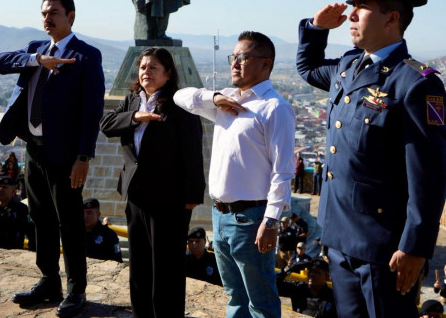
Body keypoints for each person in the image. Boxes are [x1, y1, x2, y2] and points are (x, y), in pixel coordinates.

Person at [296, 0, 446, 318]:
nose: (350, 15)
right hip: (339, 239)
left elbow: (429, 174)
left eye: (361, 8)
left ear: (391, 18)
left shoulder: (417, 83)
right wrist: (316, 28)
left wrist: (415, 246)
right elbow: (307, 67)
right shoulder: (349, 67)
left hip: (385, 249)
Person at [0, 0, 105, 318]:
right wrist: (37, 61)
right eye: (44, 13)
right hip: (34, 151)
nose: (47, 18)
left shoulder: (86, 55)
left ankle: (76, 289)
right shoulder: (34, 49)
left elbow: (91, 111)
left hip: (65, 155)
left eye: (54, 12)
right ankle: (48, 280)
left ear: (70, 16)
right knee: (39, 218)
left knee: (69, 223)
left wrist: (83, 157)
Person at [174, 31, 296, 318]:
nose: (235, 63)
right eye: (234, 57)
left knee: (261, 301)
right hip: (221, 215)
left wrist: (272, 220)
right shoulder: (226, 101)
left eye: (244, 57)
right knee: (234, 297)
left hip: (251, 219)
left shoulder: (275, 108)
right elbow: (181, 96)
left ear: (265, 64)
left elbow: (283, 171)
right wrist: (214, 97)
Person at [100, 46, 205, 318]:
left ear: (168, 74)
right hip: (136, 196)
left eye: (153, 67)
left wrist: (192, 195)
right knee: (140, 265)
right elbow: (106, 124)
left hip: (169, 200)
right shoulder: (133, 101)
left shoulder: (179, 106)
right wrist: (136, 117)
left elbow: (193, 152)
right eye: (143, 67)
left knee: (167, 269)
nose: (146, 72)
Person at [82, 198, 122, 263]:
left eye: (89, 213)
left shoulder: (110, 235)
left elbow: (117, 257)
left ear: (98, 215)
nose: (85, 216)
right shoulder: (76, 233)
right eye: (82, 213)